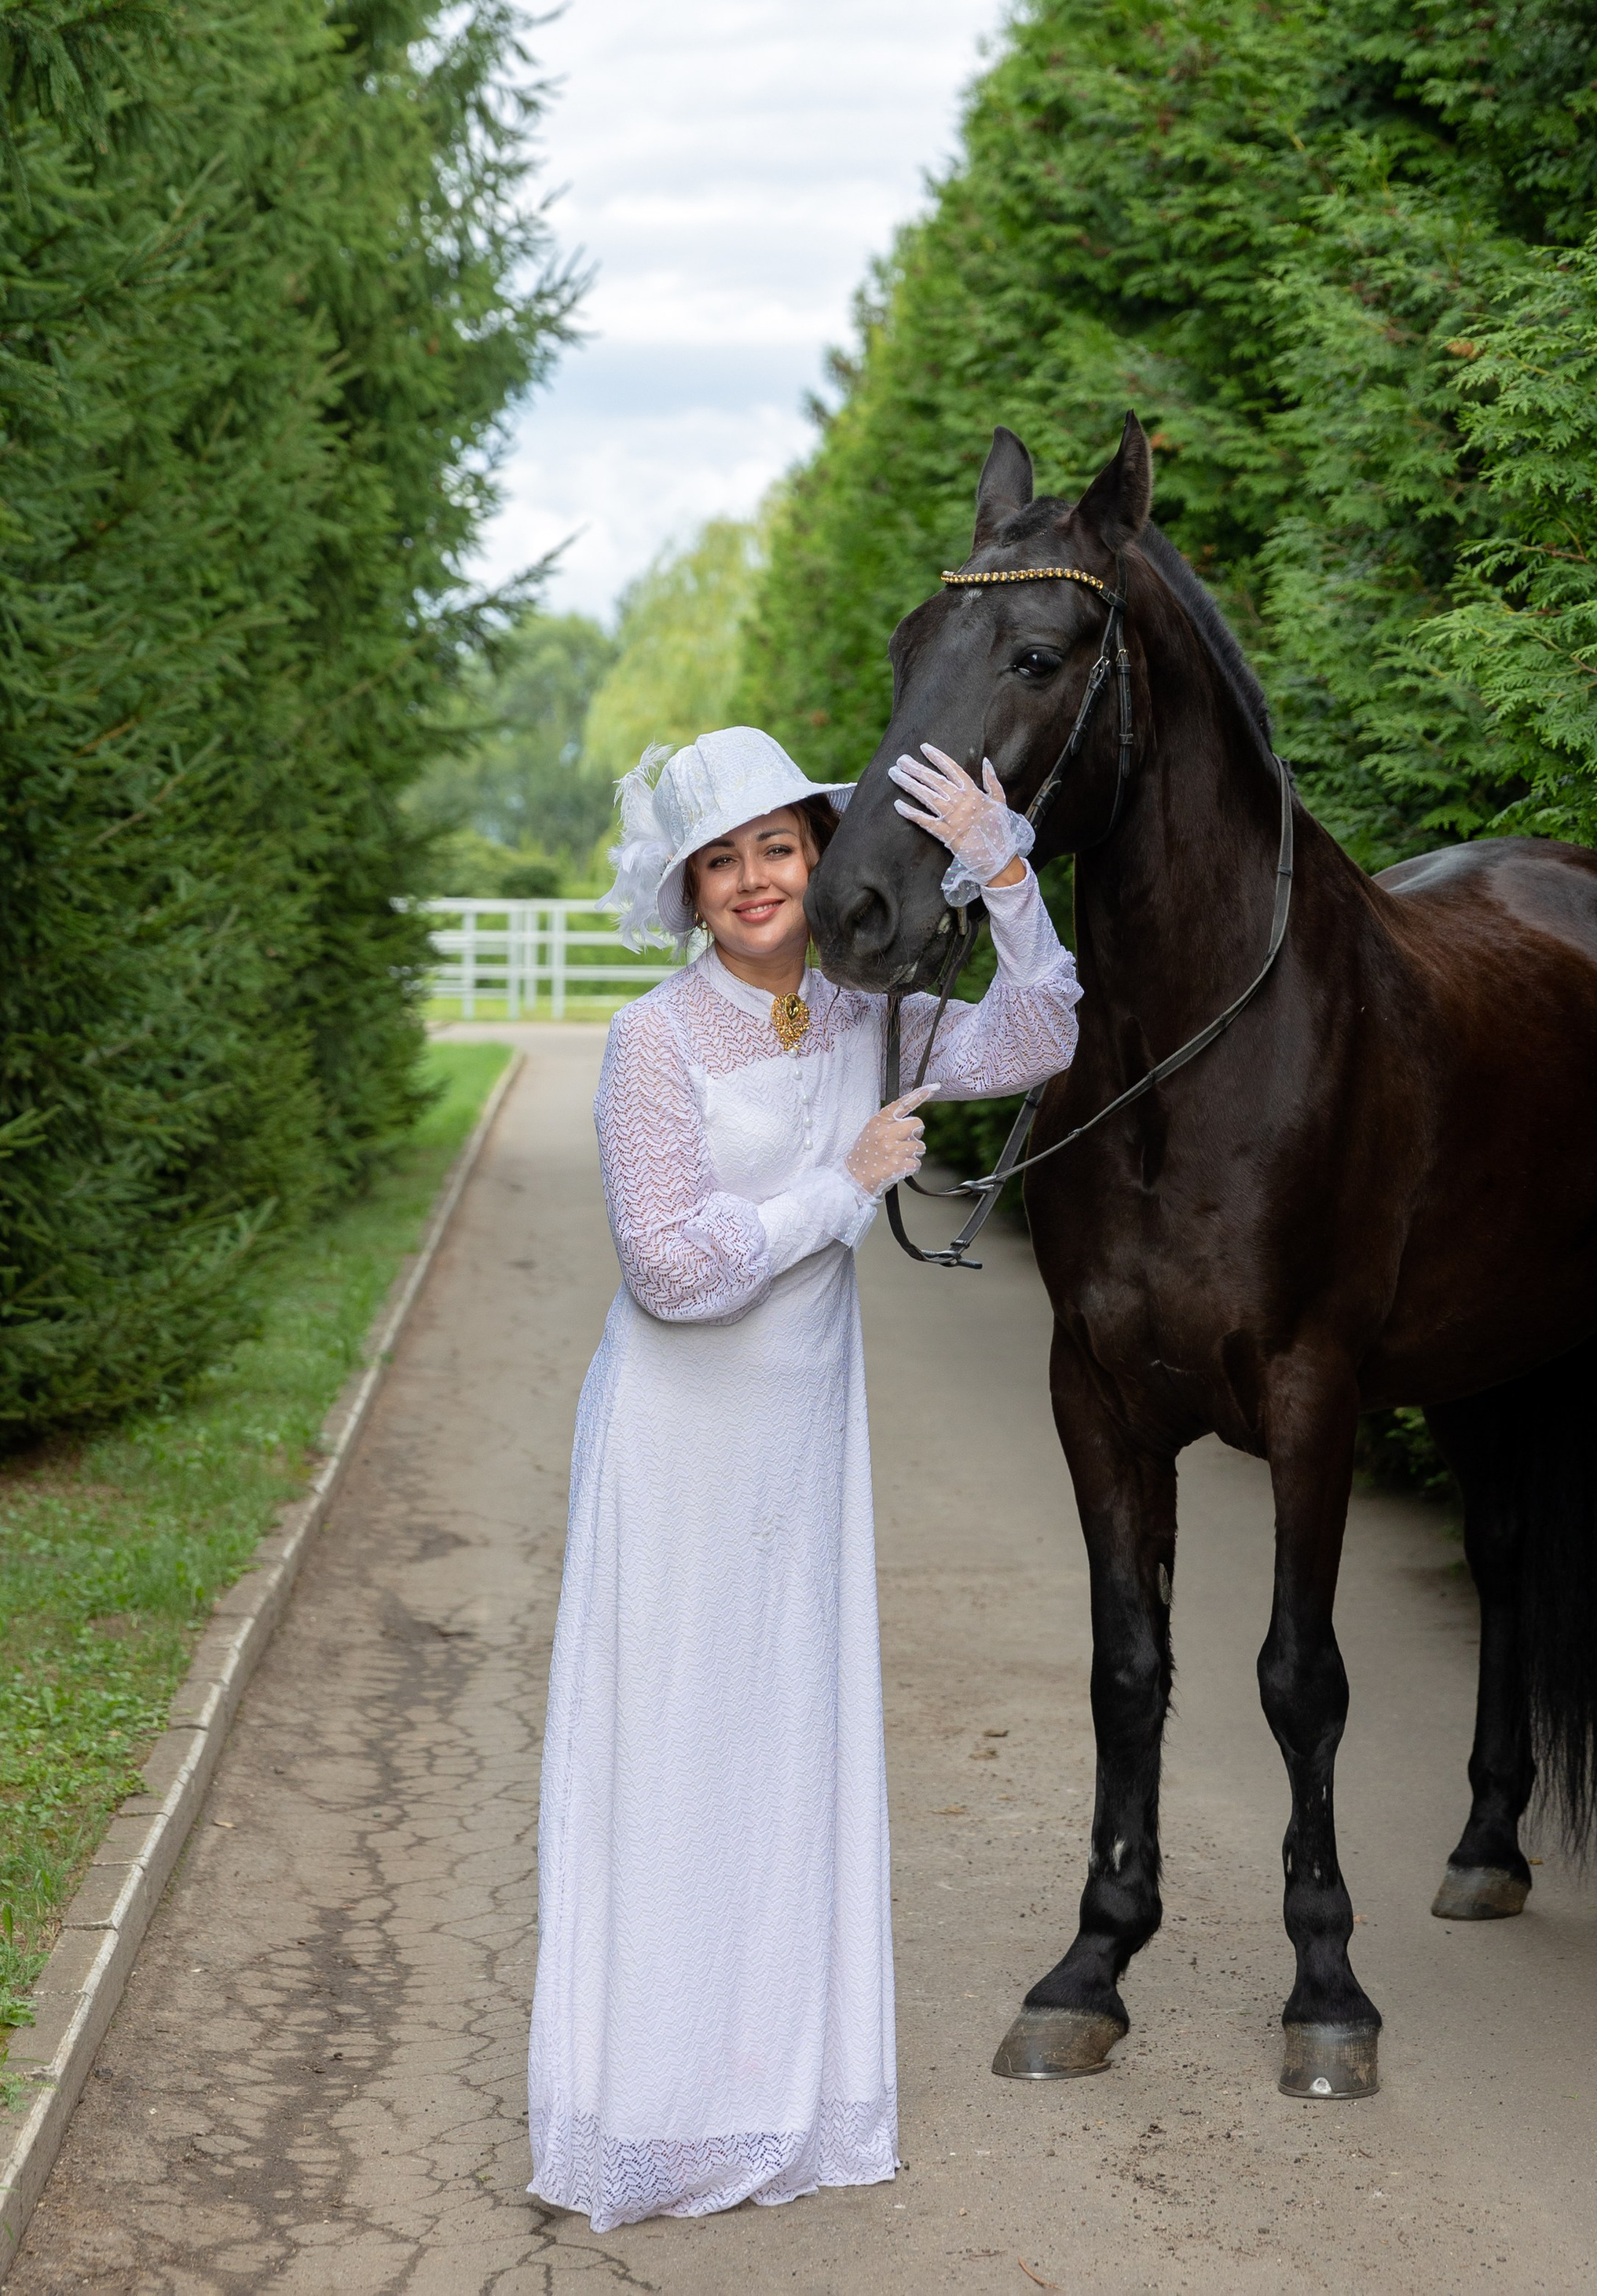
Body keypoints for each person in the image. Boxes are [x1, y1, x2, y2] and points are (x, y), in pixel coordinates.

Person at [526, 725, 1079, 2231]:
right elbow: (669, 1271)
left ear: (819, 857)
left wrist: (1001, 866)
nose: (757, 879)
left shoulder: (868, 1011)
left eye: (778, 846)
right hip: (678, 1447)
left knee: (783, 1750)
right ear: (691, 892)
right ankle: (650, 2109)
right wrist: (836, 1195)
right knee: (676, 1750)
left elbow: (1039, 1035)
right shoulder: (654, 1043)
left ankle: (777, 2085)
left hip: (800, 1453)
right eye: (723, 861)